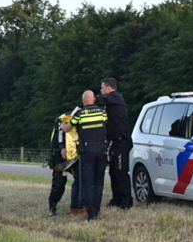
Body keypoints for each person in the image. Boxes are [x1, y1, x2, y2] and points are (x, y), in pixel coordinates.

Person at [63, 91, 108, 221]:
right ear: (93, 99)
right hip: (101, 148)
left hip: (87, 150)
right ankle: (97, 209)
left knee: (87, 181)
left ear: (83, 101)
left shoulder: (80, 114)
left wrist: (62, 124)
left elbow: (67, 129)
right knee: (99, 180)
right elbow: (105, 123)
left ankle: (91, 213)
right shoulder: (102, 112)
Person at [96, 77, 133, 209]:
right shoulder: (112, 101)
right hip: (115, 141)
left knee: (121, 171)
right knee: (113, 171)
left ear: (107, 87)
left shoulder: (114, 97)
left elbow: (97, 100)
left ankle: (126, 202)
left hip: (121, 141)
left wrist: (87, 99)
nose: (101, 91)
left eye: (101, 88)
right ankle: (116, 199)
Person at [47, 110, 82, 216]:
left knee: (80, 180)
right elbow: (61, 132)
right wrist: (62, 148)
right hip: (60, 156)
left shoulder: (83, 115)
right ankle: (52, 207)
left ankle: (76, 207)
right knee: (59, 183)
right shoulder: (67, 117)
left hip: (76, 155)